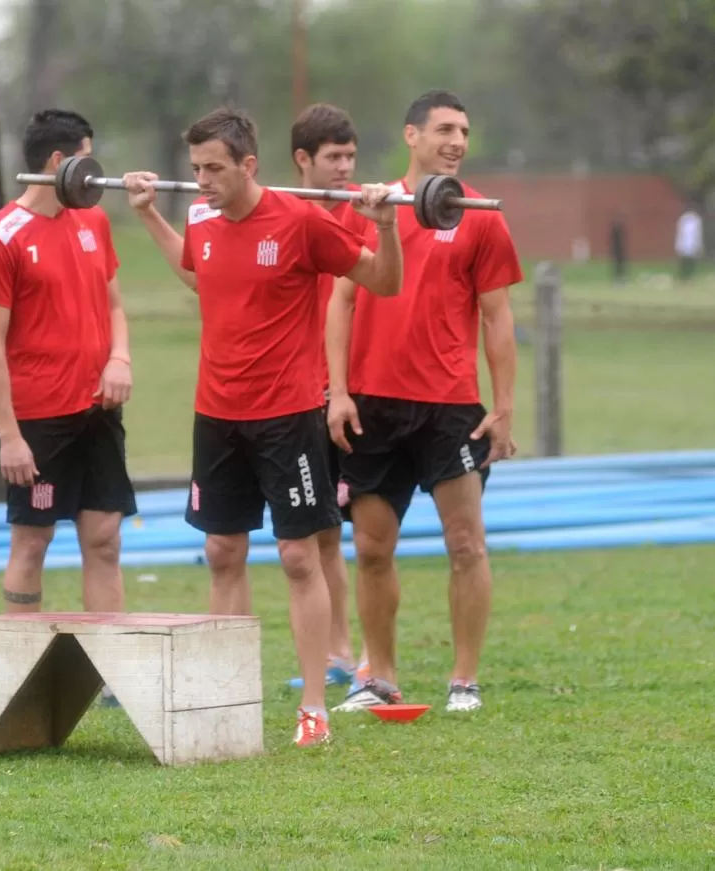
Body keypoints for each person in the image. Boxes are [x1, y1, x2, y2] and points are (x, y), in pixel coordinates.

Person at [122, 105, 403, 746]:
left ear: (249, 165)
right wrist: (146, 214)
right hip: (216, 415)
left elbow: (385, 281)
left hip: (288, 417)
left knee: (300, 556)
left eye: (213, 169)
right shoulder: (203, 219)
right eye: (194, 169)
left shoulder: (304, 222)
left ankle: (314, 708)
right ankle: (224, 696)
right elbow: (199, 274)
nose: (201, 181)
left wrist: (384, 227)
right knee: (222, 551)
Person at [326, 90, 523, 714]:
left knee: (466, 545)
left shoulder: (480, 217)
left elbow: (498, 319)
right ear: (412, 136)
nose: (457, 141)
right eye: (444, 129)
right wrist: (338, 393)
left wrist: (505, 405)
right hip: (374, 406)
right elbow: (341, 303)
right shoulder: (372, 207)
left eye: (464, 131)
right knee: (374, 549)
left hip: (450, 409)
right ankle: (377, 676)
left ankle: (463, 681)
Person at [0, 109, 138, 622]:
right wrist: (9, 437)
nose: (97, 174)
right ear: (60, 161)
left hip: (98, 412)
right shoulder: (3, 237)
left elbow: (115, 307)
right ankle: (20, 667)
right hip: (40, 419)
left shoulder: (95, 221)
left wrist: (120, 358)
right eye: (88, 159)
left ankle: (108, 670)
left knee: (105, 539)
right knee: (32, 543)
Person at [285, 103, 370, 693]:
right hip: (300, 394)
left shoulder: (369, 211)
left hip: (354, 392)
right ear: (303, 160)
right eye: (332, 157)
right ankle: (337, 652)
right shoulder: (283, 215)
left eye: (349, 156)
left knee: (367, 526)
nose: (343, 167)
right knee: (321, 535)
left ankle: (370, 655)